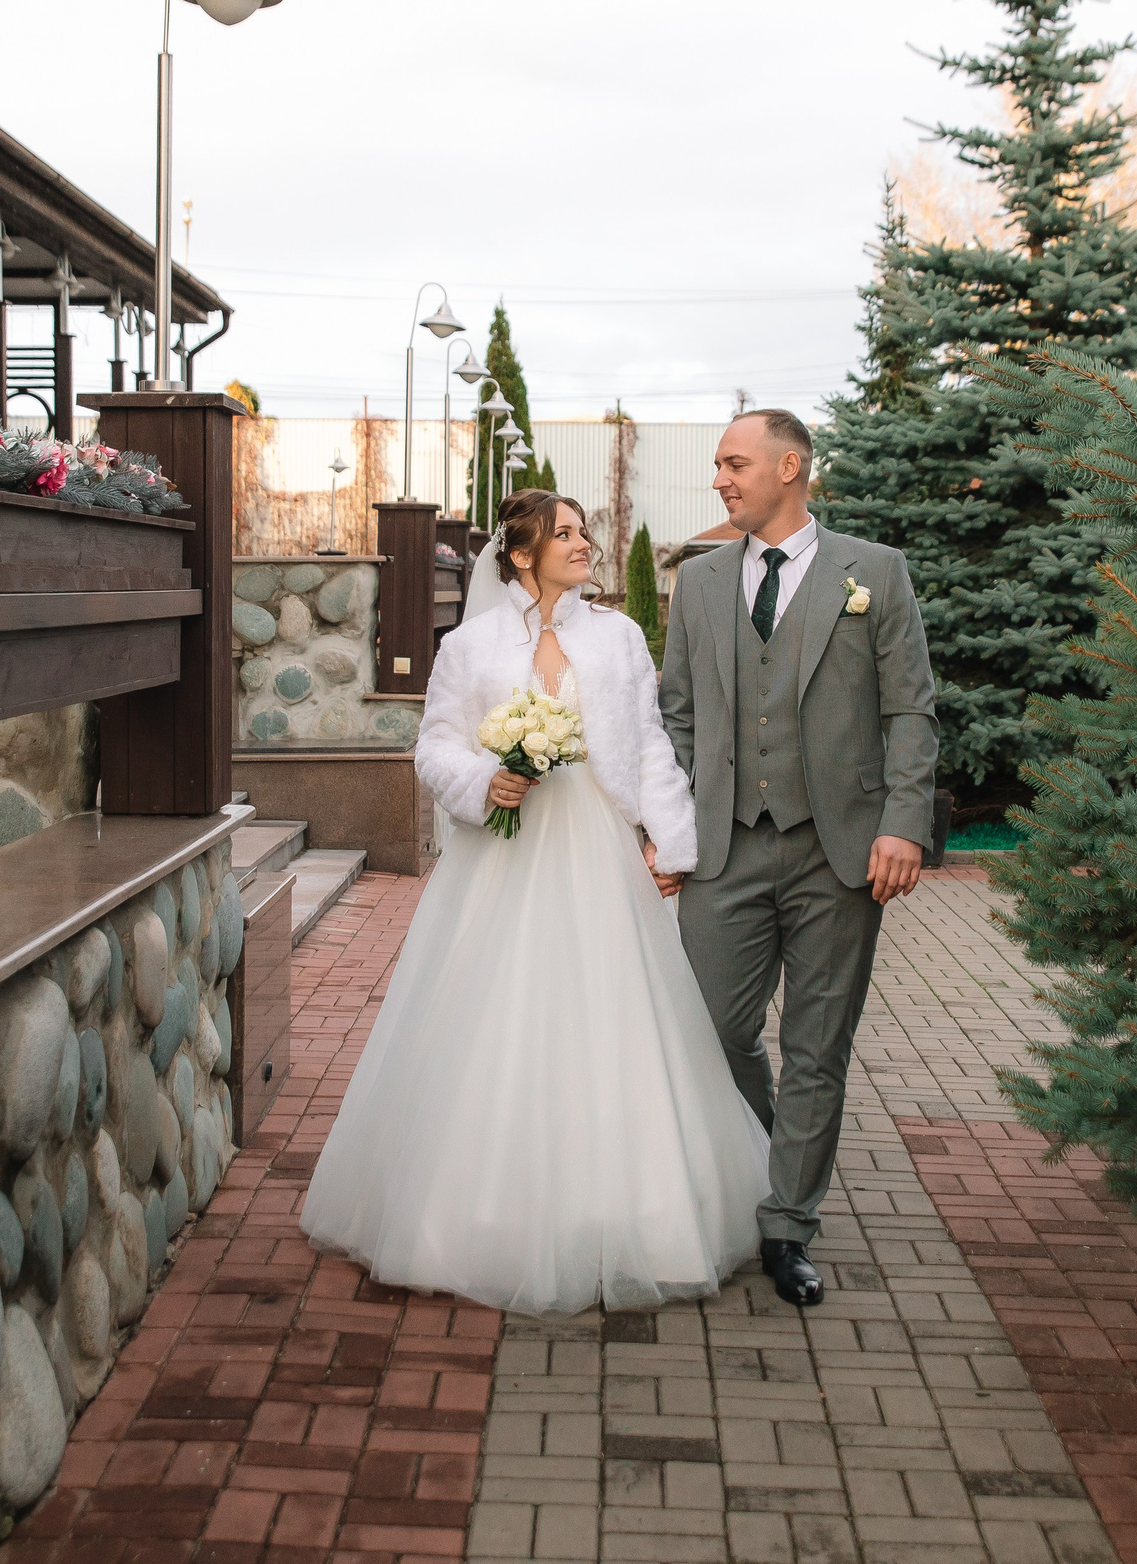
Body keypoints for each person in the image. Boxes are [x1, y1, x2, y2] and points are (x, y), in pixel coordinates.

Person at [300, 488, 769, 1314]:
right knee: (495, 1017)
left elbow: (650, 743)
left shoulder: (621, 637)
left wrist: (671, 838)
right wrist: (489, 779)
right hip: (502, 857)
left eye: (585, 531)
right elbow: (435, 743)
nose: (584, 543)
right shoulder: (471, 645)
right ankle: (474, 1216)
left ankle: (633, 1212)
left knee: (610, 1018)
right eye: (566, 533)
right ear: (521, 554)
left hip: (595, 846)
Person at [657, 408, 939, 1306]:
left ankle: (787, 1223)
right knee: (713, 1027)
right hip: (724, 846)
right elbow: (678, 717)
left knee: (819, 1044)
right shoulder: (698, 583)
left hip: (840, 849)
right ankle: (778, 1142)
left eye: (734, 463)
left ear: (791, 467)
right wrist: (667, 828)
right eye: (717, 465)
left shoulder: (877, 573)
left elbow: (910, 709)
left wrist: (904, 820)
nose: (720, 479)